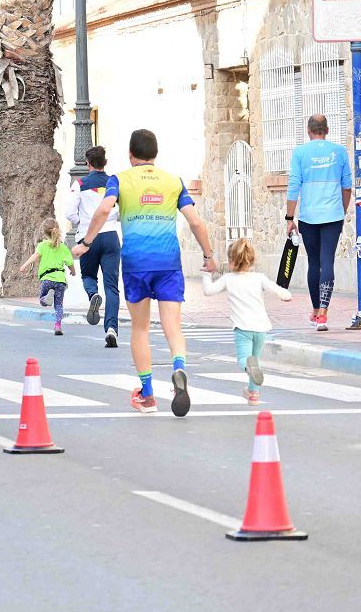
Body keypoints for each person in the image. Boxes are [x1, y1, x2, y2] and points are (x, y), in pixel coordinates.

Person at [73, 128, 217, 417]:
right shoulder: (173, 181)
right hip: (168, 262)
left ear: (130, 154)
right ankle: (178, 369)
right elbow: (196, 222)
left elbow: (103, 210)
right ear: (155, 154)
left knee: (140, 329)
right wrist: (209, 256)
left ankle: (148, 395)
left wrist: (86, 243)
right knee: (172, 326)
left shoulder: (120, 180)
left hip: (137, 262)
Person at [202, 238, 291, 406]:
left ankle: (249, 372)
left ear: (231, 261)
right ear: (251, 260)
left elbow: (208, 291)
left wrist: (206, 274)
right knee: (255, 360)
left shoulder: (228, 279)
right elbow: (276, 289)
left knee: (245, 360)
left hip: (242, 329)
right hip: (260, 328)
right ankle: (253, 394)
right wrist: (286, 295)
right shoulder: (259, 278)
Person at [286, 114, 351, 332]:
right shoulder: (340, 152)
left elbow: (294, 186)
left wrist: (289, 218)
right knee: (327, 261)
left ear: (308, 130)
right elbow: (347, 187)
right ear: (327, 130)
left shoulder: (300, 153)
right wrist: (340, 211)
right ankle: (323, 313)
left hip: (308, 217)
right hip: (333, 216)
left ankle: (315, 311)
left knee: (314, 262)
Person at [66, 145, 121, 348]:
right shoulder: (113, 183)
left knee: (88, 275)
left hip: (87, 237)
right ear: (104, 163)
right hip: (110, 236)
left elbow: (69, 212)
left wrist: (81, 222)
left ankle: (92, 295)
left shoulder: (79, 183)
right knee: (112, 286)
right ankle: (111, 329)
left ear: (88, 164)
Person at [21, 219, 76, 336]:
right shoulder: (63, 247)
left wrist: (25, 265)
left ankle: (46, 298)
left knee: (42, 300)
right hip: (60, 280)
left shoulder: (42, 245)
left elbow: (35, 256)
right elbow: (70, 263)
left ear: (44, 232)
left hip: (47, 279)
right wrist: (73, 272)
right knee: (59, 305)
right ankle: (57, 326)